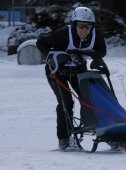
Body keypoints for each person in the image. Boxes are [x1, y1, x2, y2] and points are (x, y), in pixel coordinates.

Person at [36, 7, 106, 149]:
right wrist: (51, 57)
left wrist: (96, 57)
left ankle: (90, 127)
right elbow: (41, 43)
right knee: (66, 102)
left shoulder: (95, 36)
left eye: (88, 26)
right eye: (81, 26)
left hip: (77, 70)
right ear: (75, 25)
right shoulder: (64, 34)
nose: (85, 30)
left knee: (89, 98)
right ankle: (64, 138)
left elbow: (101, 50)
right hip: (56, 71)